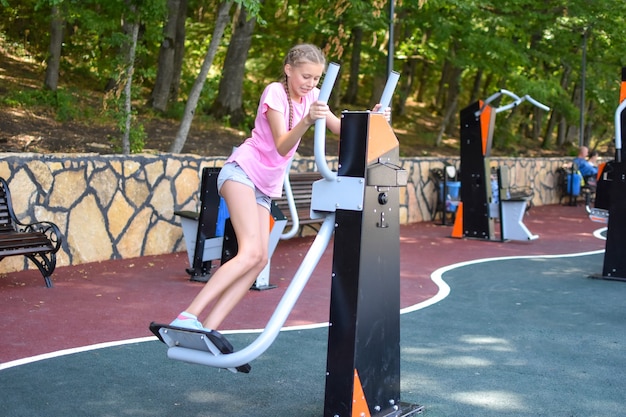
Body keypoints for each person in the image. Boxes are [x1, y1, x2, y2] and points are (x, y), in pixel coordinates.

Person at [170, 44, 389, 336]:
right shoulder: (275, 92)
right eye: (306, 76)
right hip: (241, 173)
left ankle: (208, 329)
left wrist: (371, 119)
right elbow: (282, 144)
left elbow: (341, 128)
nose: (311, 84)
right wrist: (307, 120)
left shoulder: (312, 97)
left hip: (263, 187)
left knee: (259, 259)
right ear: (289, 70)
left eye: (316, 79)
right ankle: (188, 316)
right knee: (248, 253)